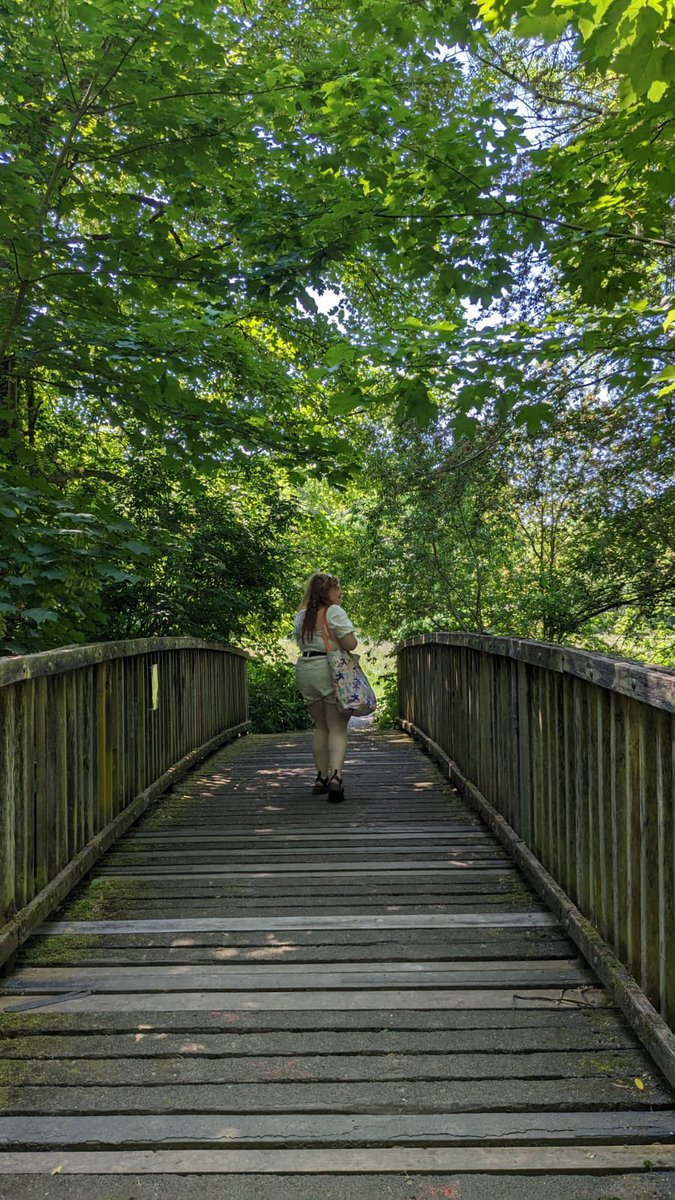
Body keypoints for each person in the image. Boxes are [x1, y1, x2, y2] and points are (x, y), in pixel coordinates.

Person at [294, 572, 357, 803]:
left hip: (306, 669)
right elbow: (351, 643)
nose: (340, 592)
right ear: (326, 592)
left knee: (321, 727)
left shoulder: (301, 616)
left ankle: (320, 777)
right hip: (329, 670)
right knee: (337, 728)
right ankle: (336, 779)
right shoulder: (334, 612)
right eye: (337, 588)